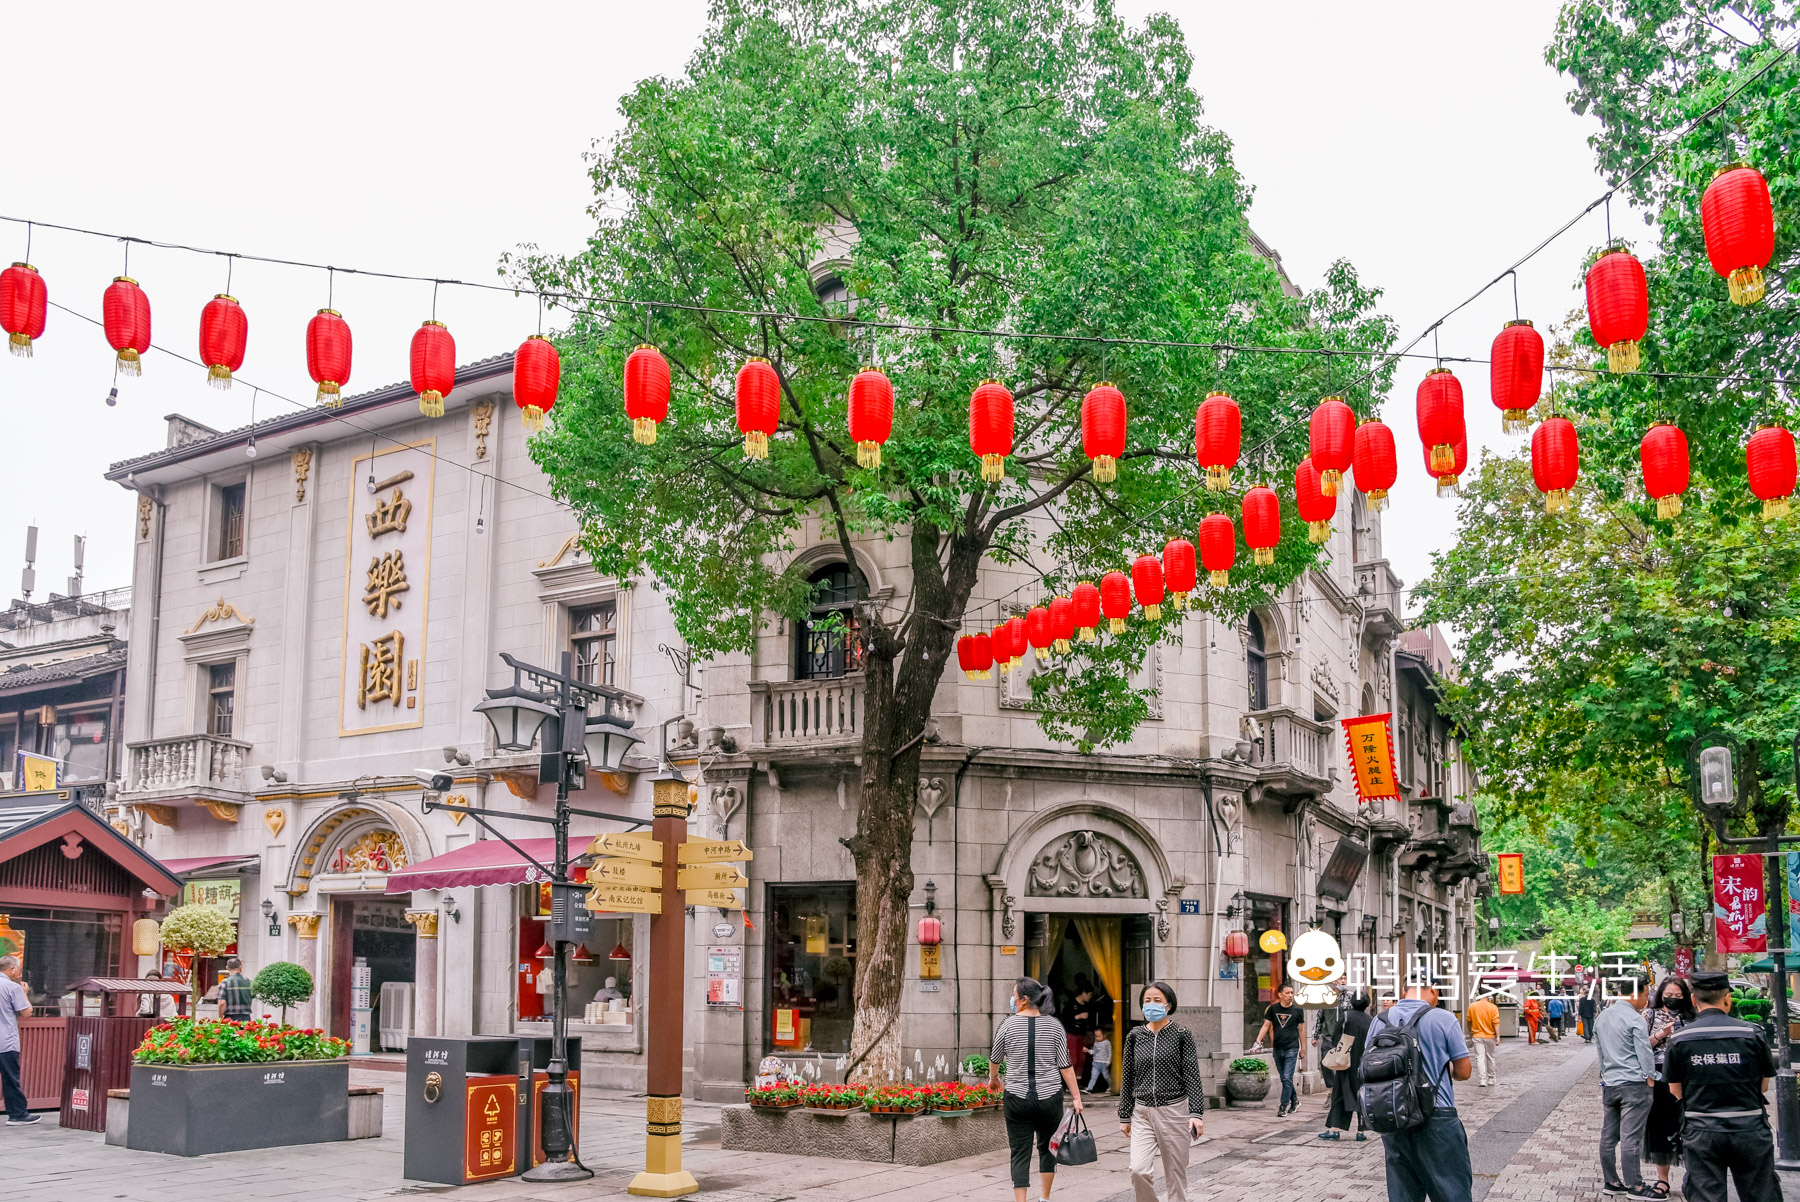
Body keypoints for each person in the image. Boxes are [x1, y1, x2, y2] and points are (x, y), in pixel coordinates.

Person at [1665, 969, 1779, 1202]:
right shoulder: (1752, 1033)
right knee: (1761, 1194)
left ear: (1693, 999)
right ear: (1728, 998)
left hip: (1701, 1130)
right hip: (1749, 1127)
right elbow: (1763, 1086)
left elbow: (1675, 1090)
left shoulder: (1679, 1039)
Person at [1363, 974, 1472, 1202]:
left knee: (1403, 1195)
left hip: (1393, 1115)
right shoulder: (1444, 1018)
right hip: (1437, 1117)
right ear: (1433, 988)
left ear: (1404, 991)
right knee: (1452, 1191)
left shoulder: (1379, 1021)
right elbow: (1464, 1072)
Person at [990, 977, 1083, 1202]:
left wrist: (993, 1078)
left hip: (1017, 1098)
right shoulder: (1055, 1025)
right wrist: (1077, 1097)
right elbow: (1065, 1066)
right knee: (1048, 1148)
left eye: (1014, 995)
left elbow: (995, 1058)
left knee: (1019, 1151)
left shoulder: (1007, 1025)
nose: (1012, 999)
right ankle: (1045, 1198)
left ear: (1024, 1000)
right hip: (1049, 1098)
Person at [1118, 982, 1205, 1202]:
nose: (1151, 1005)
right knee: (1138, 1170)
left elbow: (1192, 1076)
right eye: (1147, 1000)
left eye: (1157, 1000)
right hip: (1142, 1113)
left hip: (1174, 1112)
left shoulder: (1181, 1034)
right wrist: (1124, 1115)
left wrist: (1196, 1113)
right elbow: (1127, 1077)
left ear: (1169, 1005)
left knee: (1175, 1174)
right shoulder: (1135, 1036)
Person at [1594, 972, 1655, 1198]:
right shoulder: (1635, 1019)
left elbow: (1600, 1052)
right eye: (1646, 995)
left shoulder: (1602, 1017)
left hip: (1610, 1084)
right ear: (1634, 995)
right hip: (1634, 1084)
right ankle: (1635, 1186)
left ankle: (1611, 1181)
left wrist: (1606, 1076)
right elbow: (1644, 1053)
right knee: (1631, 1138)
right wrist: (1650, 1078)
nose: (1647, 1000)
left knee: (1608, 1137)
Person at [1644, 976, 1694, 1198]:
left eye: (1678, 995)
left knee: (1690, 1125)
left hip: (1688, 1075)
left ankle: (1694, 1176)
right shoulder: (1650, 1015)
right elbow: (1640, 1046)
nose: (1673, 999)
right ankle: (1662, 1179)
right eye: (1669, 995)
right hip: (1660, 1076)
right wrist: (1661, 1034)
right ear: (1660, 995)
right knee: (1660, 1126)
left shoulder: (1692, 1016)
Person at [1320, 991, 1372, 1141]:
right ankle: (1361, 1132)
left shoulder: (1347, 1016)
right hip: (1362, 1063)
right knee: (1361, 1095)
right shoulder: (1370, 1020)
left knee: (1339, 1094)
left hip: (1345, 1062)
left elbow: (1336, 1036)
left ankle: (1335, 1129)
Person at [1250, 983, 1306, 1117]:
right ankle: (1295, 1100)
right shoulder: (1273, 1009)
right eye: (1287, 993)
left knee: (1287, 1077)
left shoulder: (1298, 1010)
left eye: (1292, 993)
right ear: (1280, 994)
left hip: (1292, 1047)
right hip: (1277, 1048)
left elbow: (1301, 1030)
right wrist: (1258, 1039)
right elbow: (1266, 1025)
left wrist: (1303, 1048)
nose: (1290, 995)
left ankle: (1283, 1106)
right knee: (1284, 1078)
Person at [0, 956, 35, 1124]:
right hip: (5, 1042)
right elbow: (26, 1012)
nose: (20, 974)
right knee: (10, 1079)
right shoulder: (12, 987)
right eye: (19, 970)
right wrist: (25, 994)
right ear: (11, 969)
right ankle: (17, 1115)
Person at [1467, 992, 1500, 1088]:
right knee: (1490, 1057)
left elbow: (1469, 1021)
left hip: (1477, 1035)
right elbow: (1496, 1023)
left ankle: (1482, 1080)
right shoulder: (1493, 1007)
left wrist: (1470, 1032)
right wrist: (1498, 1036)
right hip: (1489, 1036)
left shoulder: (1472, 1006)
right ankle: (1491, 1078)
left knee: (1479, 1058)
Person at [1067, 987, 1099, 1084]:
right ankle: (1070, 1082)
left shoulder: (1088, 1006)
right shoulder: (1070, 1004)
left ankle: (1078, 1081)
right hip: (1072, 1034)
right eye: (1089, 994)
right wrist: (1079, 1016)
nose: (1090, 997)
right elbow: (1065, 1018)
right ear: (1084, 993)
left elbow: (1091, 1021)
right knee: (1073, 1058)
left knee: (1082, 1058)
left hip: (1083, 1034)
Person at [217, 957, 254, 1022]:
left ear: (227, 968)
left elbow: (222, 1003)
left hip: (230, 1018)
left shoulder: (225, 982)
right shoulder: (248, 982)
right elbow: (253, 996)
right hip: (246, 1017)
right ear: (240, 966)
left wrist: (220, 1018)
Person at [1086, 1030, 1112, 1094]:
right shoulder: (1095, 1043)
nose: (1097, 1038)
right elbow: (1094, 1052)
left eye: (1099, 1036)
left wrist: (1108, 1061)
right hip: (1095, 1062)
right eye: (1096, 1036)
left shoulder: (1107, 1043)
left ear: (1104, 1035)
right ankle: (1089, 1088)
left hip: (1103, 1063)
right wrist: (1088, 1051)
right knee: (1093, 1076)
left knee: (1106, 1076)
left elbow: (1110, 1052)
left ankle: (1111, 1086)